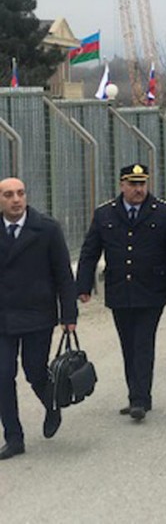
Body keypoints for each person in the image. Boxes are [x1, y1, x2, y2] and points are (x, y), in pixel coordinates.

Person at [77, 164, 166, 421]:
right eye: (132, 184)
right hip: (120, 290)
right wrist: (83, 286)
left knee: (143, 343)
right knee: (127, 345)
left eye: (142, 184)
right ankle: (135, 394)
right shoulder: (105, 214)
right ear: (122, 185)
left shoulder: (164, 212)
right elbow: (90, 251)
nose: (138, 190)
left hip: (152, 291)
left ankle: (140, 399)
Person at [0, 177, 77, 460]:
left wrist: (69, 314)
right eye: (8, 195)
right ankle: (14, 437)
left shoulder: (46, 229)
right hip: (3, 317)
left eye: (20, 193)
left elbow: (63, 275)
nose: (16, 199)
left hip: (37, 315)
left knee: (35, 371)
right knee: (2, 375)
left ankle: (51, 405)